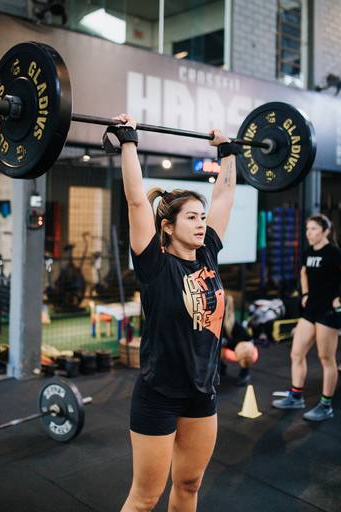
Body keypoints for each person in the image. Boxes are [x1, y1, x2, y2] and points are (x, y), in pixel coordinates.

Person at [109, 114, 238, 512]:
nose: (201, 224)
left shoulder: (208, 253)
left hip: (202, 393)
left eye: (202, 218)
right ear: (167, 226)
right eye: (191, 218)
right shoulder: (154, 264)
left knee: (189, 484)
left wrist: (228, 151)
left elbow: (224, 197)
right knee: (145, 498)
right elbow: (136, 200)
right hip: (159, 396)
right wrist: (129, 141)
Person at [272, 214, 341, 422]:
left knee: (326, 359)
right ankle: (296, 397)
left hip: (328, 312)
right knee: (296, 353)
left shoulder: (334, 253)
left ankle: (326, 406)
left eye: (313, 229)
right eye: (307, 229)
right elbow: (303, 272)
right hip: (311, 309)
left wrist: (340, 299)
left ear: (325, 231)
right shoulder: (308, 252)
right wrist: (305, 293)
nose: (308, 233)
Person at [221, 295, 258, 386]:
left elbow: (248, 338)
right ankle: (220, 367)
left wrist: (227, 342)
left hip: (241, 348)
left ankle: (245, 373)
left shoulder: (233, 323)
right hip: (225, 347)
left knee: (245, 348)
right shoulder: (214, 321)